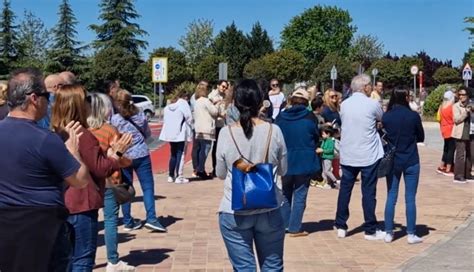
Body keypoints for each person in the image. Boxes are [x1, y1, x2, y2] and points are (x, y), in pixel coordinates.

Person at [0, 68, 90, 272]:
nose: (50, 102)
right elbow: (80, 180)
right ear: (34, 98)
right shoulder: (44, 139)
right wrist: (73, 150)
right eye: (47, 96)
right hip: (43, 227)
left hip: (6, 224)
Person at [52, 84, 132, 271]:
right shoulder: (82, 134)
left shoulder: (56, 131)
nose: (90, 104)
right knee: (83, 257)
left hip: (61, 202)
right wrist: (116, 154)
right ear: (78, 105)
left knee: (67, 258)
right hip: (81, 202)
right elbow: (99, 169)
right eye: (86, 100)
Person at [216, 79, 288, 271]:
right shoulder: (275, 130)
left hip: (234, 209)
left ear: (235, 103)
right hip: (270, 207)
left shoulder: (225, 133)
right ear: (261, 102)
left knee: (244, 268)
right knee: (273, 266)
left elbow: (221, 174)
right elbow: (283, 170)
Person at [87, 92, 136, 272]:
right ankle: (113, 261)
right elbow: (122, 160)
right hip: (109, 181)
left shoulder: (81, 129)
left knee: (90, 222)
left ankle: (87, 259)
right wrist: (122, 155)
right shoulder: (109, 130)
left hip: (87, 181)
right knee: (110, 220)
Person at [334, 74, 386, 240]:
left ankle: (341, 225)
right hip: (368, 153)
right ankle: (370, 228)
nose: (371, 88)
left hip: (348, 153)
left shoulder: (344, 105)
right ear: (365, 87)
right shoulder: (372, 104)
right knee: (368, 191)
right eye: (369, 85)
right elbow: (381, 118)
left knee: (345, 190)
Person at [111, 89, 168, 232]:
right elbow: (147, 132)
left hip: (124, 155)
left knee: (125, 187)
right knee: (147, 187)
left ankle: (128, 221)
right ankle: (152, 218)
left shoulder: (115, 119)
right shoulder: (140, 115)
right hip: (141, 153)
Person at [275, 87, 320, 237]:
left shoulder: (281, 117)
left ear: (291, 101)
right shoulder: (310, 117)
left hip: (285, 159)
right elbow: (316, 136)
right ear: (306, 102)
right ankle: (295, 227)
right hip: (304, 160)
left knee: (286, 193)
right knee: (300, 194)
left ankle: (285, 224)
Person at [382, 89, 425, 244]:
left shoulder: (386, 117)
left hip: (393, 160)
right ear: (406, 97)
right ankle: (411, 233)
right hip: (411, 158)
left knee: (391, 196)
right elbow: (421, 136)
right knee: (410, 198)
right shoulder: (413, 116)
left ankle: (388, 232)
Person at [159, 90, 193, 183]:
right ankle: (179, 176)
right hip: (181, 133)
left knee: (173, 154)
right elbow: (189, 118)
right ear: (186, 98)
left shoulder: (168, 107)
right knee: (180, 154)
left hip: (171, 134)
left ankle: (171, 175)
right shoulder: (184, 104)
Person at [193, 83, 219, 179]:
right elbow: (214, 112)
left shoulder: (197, 102)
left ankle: (199, 168)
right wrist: (216, 105)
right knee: (205, 150)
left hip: (198, 128)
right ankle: (201, 170)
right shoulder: (206, 101)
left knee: (200, 150)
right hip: (207, 128)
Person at [452, 89, 472, 183]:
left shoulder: (471, 104)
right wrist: (466, 112)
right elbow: (456, 120)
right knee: (460, 154)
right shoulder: (456, 106)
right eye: (459, 95)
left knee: (471, 154)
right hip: (461, 132)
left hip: (471, 131)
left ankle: (467, 173)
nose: (461, 96)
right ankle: (458, 175)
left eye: (463, 95)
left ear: (467, 95)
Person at [209, 80, 228, 177]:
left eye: (225, 87)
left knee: (223, 147)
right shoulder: (212, 95)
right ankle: (214, 168)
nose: (224, 88)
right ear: (218, 86)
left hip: (223, 124)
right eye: (223, 86)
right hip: (216, 123)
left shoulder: (225, 96)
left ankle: (223, 167)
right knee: (215, 147)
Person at [190, 80, 209, 177]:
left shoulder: (196, 98)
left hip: (197, 125)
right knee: (199, 148)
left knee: (199, 148)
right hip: (198, 125)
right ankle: (197, 169)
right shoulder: (196, 98)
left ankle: (198, 168)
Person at [436, 90, 456, 176]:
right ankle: (448, 168)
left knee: (446, 149)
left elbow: (438, 118)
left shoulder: (441, 106)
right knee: (451, 150)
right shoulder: (452, 107)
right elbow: (455, 119)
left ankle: (441, 166)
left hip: (444, 129)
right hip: (451, 129)